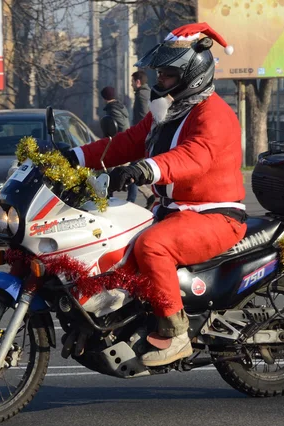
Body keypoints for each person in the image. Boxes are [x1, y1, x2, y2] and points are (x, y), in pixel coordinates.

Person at [65, 23, 246, 366]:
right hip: (175, 211)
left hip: (216, 216)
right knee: (115, 241)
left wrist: (144, 169)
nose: (158, 81)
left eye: (166, 74)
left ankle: (176, 335)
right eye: (160, 73)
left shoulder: (214, 114)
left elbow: (195, 157)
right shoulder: (170, 112)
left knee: (152, 245)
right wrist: (74, 158)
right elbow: (126, 142)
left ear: (191, 74)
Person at [131, 70, 155, 208]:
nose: (131, 84)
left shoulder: (142, 96)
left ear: (138, 82)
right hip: (145, 138)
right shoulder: (147, 93)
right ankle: (148, 196)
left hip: (142, 138)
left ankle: (134, 200)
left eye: (132, 82)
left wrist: (138, 135)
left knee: (134, 169)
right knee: (136, 169)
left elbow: (143, 118)